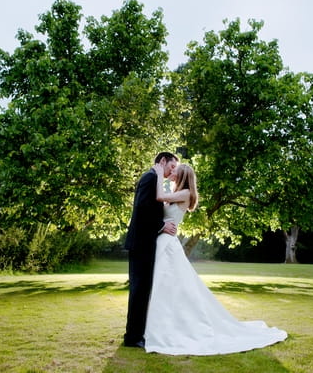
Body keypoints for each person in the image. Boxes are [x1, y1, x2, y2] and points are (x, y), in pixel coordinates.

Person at [143, 162, 288, 355]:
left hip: (169, 245)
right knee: (165, 287)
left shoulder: (186, 193)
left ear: (184, 175)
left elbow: (159, 196)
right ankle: (156, 325)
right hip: (164, 241)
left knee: (170, 286)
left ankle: (168, 329)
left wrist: (160, 174)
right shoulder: (176, 192)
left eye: (175, 170)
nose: (173, 171)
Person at [123, 152, 179, 348]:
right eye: (171, 166)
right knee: (139, 291)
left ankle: (137, 334)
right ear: (162, 161)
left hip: (144, 243)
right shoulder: (151, 177)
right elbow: (142, 207)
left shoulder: (155, 179)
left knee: (142, 291)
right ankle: (132, 337)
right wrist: (161, 226)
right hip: (141, 244)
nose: (172, 170)